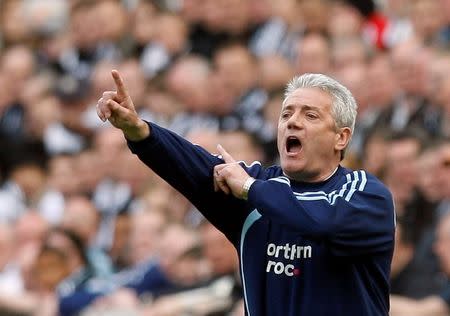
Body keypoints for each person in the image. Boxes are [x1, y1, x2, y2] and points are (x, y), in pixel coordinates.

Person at [96, 70, 395, 315]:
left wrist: (250, 188)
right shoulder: (257, 189)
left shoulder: (367, 195)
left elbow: (322, 221)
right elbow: (195, 168)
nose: (293, 121)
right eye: (286, 114)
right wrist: (139, 130)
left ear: (341, 138)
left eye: (311, 115)